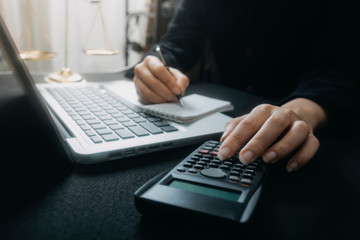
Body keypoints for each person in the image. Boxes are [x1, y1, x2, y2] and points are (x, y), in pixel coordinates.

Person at [132, 0, 360, 172]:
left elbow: (342, 69)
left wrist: (304, 110)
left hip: (322, 134)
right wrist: (157, 65)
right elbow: (177, 41)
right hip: (224, 119)